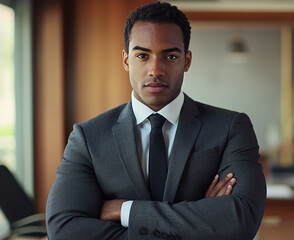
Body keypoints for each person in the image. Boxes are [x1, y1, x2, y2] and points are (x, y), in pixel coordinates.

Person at [46, 2, 266, 240]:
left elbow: (241, 221)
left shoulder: (230, 128)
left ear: (187, 60)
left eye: (170, 56)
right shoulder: (89, 138)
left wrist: (125, 210)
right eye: (142, 55)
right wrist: (199, 222)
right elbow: (64, 230)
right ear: (126, 60)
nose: (155, 69)